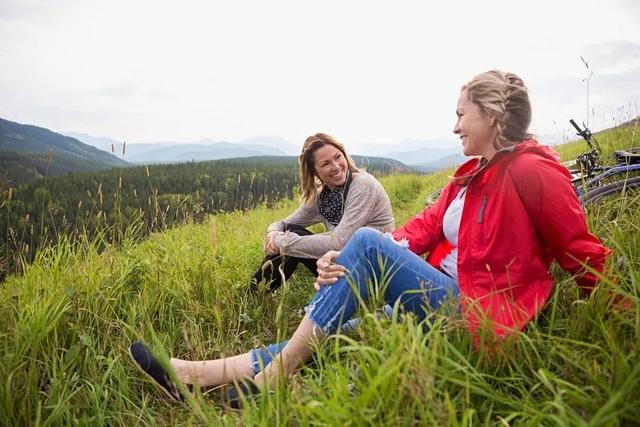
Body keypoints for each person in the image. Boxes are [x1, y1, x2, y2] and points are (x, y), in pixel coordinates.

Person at [129, 70, 611, 407]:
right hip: (433, 298)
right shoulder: (469, 176)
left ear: (491, 115)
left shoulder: (533, 170)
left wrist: (618, 328)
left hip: (477, 311)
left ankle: (274, 378)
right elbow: (417, 231)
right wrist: (347, 256)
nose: (455, 124)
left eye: (461, 113)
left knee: (363, 243)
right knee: (333, 331)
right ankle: (192, 375)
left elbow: (582, 252)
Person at [250, 132, 395, 292]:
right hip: (345, 261)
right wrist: (273, 232)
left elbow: (339, 242)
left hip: (373, 269)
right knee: (289, 230)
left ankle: (254, 292)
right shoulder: (323, 197)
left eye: (338, 157)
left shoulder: (362, 184)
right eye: (326, 164)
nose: (336, 166)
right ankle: (256, 293)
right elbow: (284, 223)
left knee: (288, 239)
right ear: (315, 172)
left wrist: (282, 242)